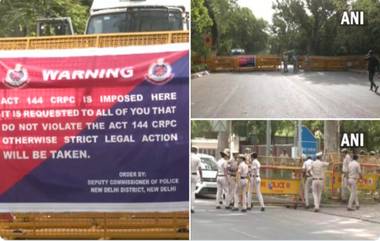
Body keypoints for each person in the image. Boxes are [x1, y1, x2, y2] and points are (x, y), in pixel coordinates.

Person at [191, 146, 202, 213]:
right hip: (194, 174)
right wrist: (201, 177)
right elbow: (200, 168)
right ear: (196, 151)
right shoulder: (197, 158)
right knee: (192, 192)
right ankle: (192, 207)